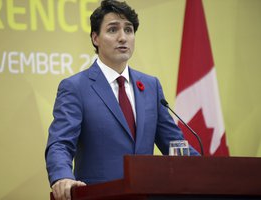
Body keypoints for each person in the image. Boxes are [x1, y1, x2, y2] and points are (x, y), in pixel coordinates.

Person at [45, 0, 200, 199]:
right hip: (98, 196)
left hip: (146, 195)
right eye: (112, 30)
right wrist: (62, 177)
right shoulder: (76, 88)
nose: (123, 37)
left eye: (128, 30)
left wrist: (211, 172)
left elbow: (175, 145)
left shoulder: (150, 86)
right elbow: (60, 143)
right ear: (95, 38)